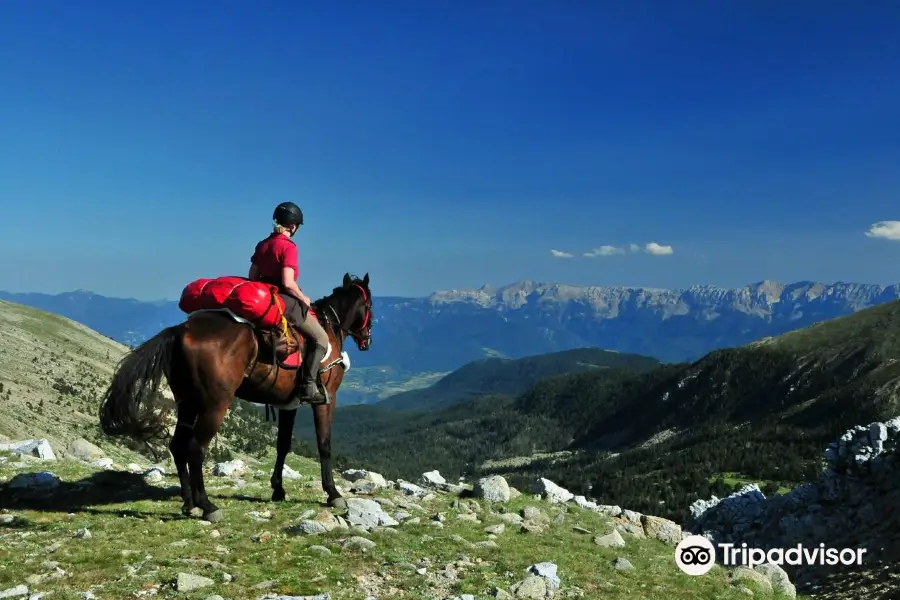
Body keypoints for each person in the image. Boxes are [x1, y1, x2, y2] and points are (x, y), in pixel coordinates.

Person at [248, 201, 330, 404]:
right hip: (284, 301)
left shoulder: (263, 244)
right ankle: (309, 387)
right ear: (293, 226)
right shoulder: (288, 247)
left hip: (264, 299)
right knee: (321, 339)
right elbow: (287, 282)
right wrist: (304, 299)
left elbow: (252, 277)